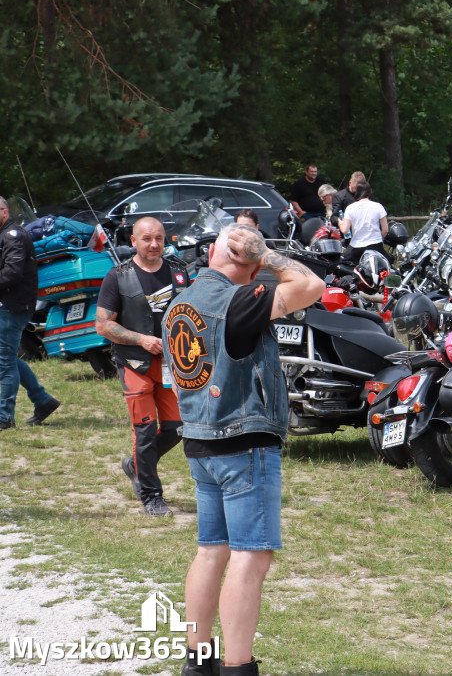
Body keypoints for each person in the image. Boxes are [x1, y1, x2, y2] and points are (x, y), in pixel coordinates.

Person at [164, 224, 325, 676]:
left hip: (200, 441)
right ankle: (238, 666)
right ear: (250, 265)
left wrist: (246, 254)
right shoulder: (240, 301)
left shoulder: (180, 301)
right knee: (250, 557)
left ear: (212, 252)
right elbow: (312, 285)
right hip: (243, 443)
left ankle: (199, 662)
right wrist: (267, 254)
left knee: (211, 550)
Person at [96, 217, 190, 516]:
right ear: (134, 241)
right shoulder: (118, 276)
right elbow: (102, 325)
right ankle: (151, 496)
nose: (153, 244)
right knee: (146, 431)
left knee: (178, 428)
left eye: (159, 238)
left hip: (172, 365)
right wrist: (140, 339)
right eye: (147, 238)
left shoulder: (179, 271)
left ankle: (136, 464)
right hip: (134, 364)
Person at [0, 196, 60, 431]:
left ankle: (4, 417)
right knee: (6, 359)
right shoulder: (5, 235)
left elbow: (11, 273)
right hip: (9, 305)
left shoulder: (14, 236)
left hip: (13, 307)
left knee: (4, 362)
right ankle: (42, 400)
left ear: (3, 212)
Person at [338, 180, 388, 263]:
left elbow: (344, 230)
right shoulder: (378, 206)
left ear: (356, 192)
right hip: (375, 246)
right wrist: (379, 238)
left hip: (356, 247)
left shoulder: (350, 208)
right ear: (369, 192)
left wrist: (340, 223)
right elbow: (385, 230)